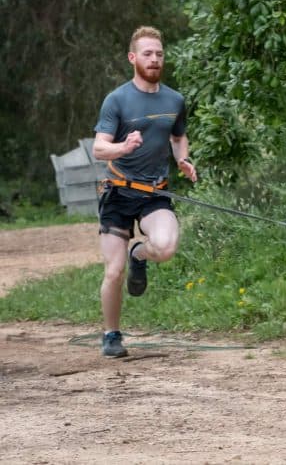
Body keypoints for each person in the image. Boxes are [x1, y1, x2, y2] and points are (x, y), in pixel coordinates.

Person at [92, 26, 197, 358]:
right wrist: (123, 147)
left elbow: (177, 136)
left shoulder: (174, 100)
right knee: (114, 270)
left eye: (159, 54)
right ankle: (111, 335)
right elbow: (99, 148)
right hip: (118, 192)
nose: (154, 59)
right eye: (147, 53)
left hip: (154, 192)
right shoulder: (117, 100)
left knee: (165, 247)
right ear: (132, 58)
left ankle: (139, 254)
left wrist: (183, 159)